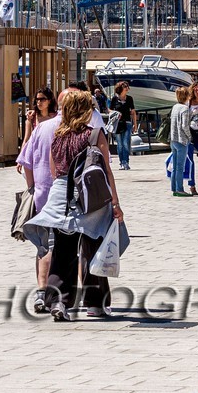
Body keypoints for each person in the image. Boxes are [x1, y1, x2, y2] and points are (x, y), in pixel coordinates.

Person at [23, 88, 124, 321]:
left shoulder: (57, 136)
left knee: (63, 250)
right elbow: (106, 171)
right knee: (92, 248)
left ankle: (58, 301)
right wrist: (115, 203)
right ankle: (96, 303)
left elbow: (53, 171)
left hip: (61, 198)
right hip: (90, 199)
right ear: (85, 111)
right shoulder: (94, 135)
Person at [17, 99, 63, 313]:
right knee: (65, 249)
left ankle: (41, 293)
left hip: (42, 196)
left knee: (44, 246)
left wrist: (33, 188)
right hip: (67, 199)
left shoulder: (42, 128)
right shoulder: (76, 129)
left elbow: (26, 161)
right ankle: (60, 295)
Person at [169, 85, 193, 197]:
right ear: (187, 96)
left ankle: (174, 188)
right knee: (180, 167)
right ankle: (180, 189)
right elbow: (184, 125)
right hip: (181, 140)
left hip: (173, 139)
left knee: (174, 166)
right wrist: (189, 136)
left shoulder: (175, 107)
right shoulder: (185, 109)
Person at [107, 81, 137, 170]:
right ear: (120, 88)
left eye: (127, 86)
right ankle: (121, 162)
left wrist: (135, 124)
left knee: (125, 143)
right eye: (125, 86)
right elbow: (109, 110)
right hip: (117, 124)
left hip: (127, 123)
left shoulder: (130, 99)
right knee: (119, 144)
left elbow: (133, 112)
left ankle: (126, 162)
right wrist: (116, 112)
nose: (127, 88)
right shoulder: (114, 99)